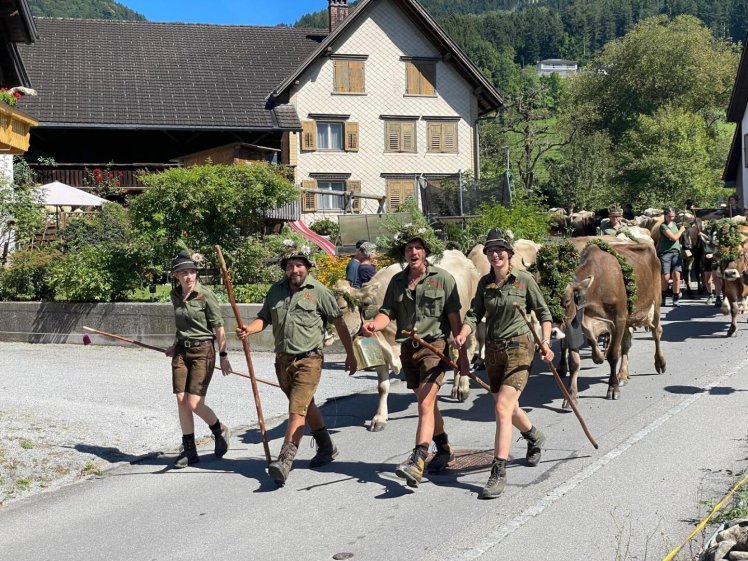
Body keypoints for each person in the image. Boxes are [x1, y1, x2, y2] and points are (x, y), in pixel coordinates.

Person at [236, 241, 357, 485]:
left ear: (307, 267)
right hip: (282, 360)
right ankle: (326, 446)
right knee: (305, 405)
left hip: (309, 359)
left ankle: (285, 460)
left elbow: (340, 323)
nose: (295, 269)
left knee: (296, 410)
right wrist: (249, 329)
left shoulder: (319, 292)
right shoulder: (276, 291)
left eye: (299, 265)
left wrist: (350, 354)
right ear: (285, 268)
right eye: (290, 265)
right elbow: (264, 318)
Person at [362, 228, 469, 488]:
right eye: (409, 248)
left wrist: (462, 358)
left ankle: (418, 458)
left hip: (435, 347)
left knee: (425, 403)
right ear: (404, 253)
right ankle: (443, 448)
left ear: (426, 252)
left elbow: (455, 318)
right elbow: (388, 311)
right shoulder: (397, 282)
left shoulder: (443, 279)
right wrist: (375, 324)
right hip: (408, 349)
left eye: (418, 248)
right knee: (428, 404)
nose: (413, 252)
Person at [454, 229, 554, 500]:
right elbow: (475, 314)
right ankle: (534, 436)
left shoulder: (523, 280)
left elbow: (544, 313)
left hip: (521, 348)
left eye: (500, 250)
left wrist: (545, 342)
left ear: (509, 254)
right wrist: (463, 333)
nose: (495, 254)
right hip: (494, 352)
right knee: (510, 407)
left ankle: (498, 472)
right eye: (490, 251)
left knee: (501, 406)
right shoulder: (485, 283)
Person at [165, 251, 231, 468]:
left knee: (194, 403)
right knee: (181, 400)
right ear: (176, 275)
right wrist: (175, 345)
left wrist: (223, 355)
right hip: (182, 352)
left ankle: (218, 429)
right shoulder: (176, 295)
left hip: (203, 351)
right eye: (184, 273)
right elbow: (181, 326)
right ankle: (190, 451)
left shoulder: (205, 295)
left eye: (192, 272)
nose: (189, 277)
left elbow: (218, 326)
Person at [658, 207, 686, 307]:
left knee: (677, 275)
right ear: (665, 216)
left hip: (676, 252)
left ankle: (676, 297)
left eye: (673, 216)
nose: (671, 218)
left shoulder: (674, 224)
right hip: (665, 253)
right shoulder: (663, 226)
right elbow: (674, 238)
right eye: (669, 216)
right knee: (665, 277)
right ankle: (664, 295)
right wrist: (681, 230)